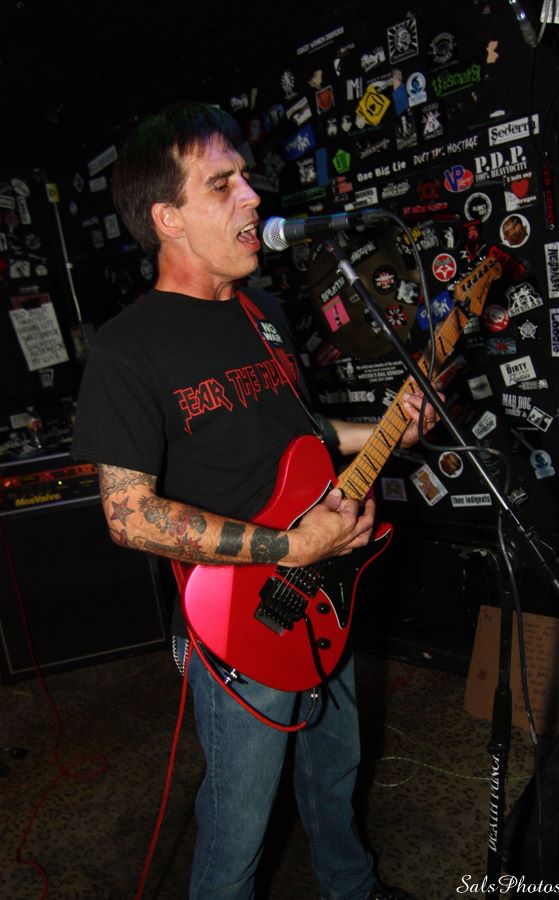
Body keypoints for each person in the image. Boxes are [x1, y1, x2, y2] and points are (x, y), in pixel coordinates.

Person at [71, 100, 440, 900]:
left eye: (247, 177)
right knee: (238, 825)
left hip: (322, 590)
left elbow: (299, 434)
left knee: (334, 770)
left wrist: (389, 429)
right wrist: (291, 547)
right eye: (223, 183)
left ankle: (352, 888)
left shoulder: (263, 314)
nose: (252, 196)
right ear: (167, 217)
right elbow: (128, 515)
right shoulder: (128, 347)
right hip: (237, 622)